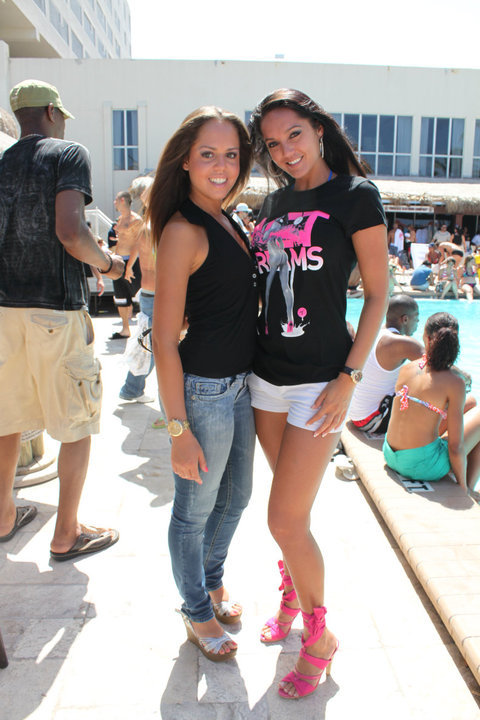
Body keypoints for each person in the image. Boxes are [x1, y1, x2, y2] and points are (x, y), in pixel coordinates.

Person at [248, 88, 389, 699]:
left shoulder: (356, 196)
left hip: (320, 383)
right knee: (292, 517)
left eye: (295, 136)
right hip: (265, 379)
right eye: (273, 144)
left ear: (319, 130)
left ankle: (319, 636)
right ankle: (290, 593)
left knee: (283, 517)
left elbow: (378, 295)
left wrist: (349, 377)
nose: (286, 151)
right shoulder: (272, 203)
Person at [148, 107, 257, 662]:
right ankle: (196, 611)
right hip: (204, 392)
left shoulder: (229, 219)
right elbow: (163, 339)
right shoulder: (182, 230)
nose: (221, 165)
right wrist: (177, 430)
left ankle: (211, 582)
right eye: (208, 154)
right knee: (193, 512)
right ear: (186, 161)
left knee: (237, 497)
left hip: (239, 387)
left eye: (231, 154)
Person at [0, 79, 124, 558]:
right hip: (55, 308)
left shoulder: (3, 160)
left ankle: (4, 515)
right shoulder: (68, 153)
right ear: (52, 112)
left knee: (6, 419)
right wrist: (109, 265)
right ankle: (66, 532)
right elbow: (71, 232)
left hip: (4, 310)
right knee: (77, 423)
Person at [384, 312, 480, 496]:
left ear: (426, 338)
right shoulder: (454, 383)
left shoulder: (407, 367)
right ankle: (468, 487)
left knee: (471, 403)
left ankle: (469, 486)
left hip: (391, 454)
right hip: (422, 466)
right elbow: (455, 447)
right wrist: (460, 486)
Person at [349, 296, 423, 434]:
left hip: (356, 415)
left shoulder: (374, 332)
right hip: (373, 421)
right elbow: (438, 367)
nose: (418, 321)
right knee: (429, 387)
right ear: (405, 319)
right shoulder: (403, 343)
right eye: (417, 317)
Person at [118, 220, 156, 403]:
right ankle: (131, 388)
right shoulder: (158, 228)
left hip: (149, 291)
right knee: (152, 346)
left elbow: (136, 249)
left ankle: (131, 388)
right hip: (158, 293)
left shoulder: (145, 228)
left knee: (148, 344)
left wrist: (129, 267)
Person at [110, 191, 143, 339]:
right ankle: (125, 329)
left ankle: (144, 330)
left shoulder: (136, 220)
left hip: (132, 262)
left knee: (139, 296)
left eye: (116, 200)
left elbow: (138, 244)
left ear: (122, 200)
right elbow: (120, 241)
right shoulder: (119, 219)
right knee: (120, 297)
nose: (114, 202)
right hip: (119, 260)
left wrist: (129, 266)